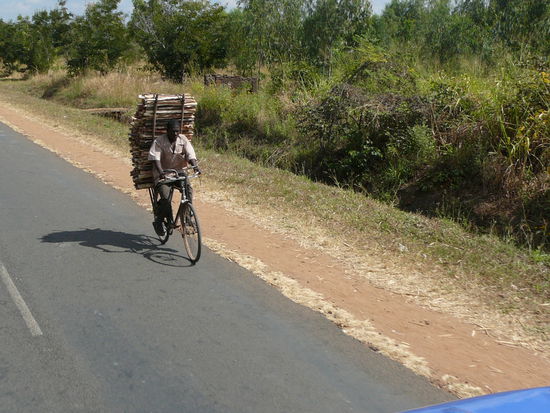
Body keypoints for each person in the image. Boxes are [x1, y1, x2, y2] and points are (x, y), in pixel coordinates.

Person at [148, 119, 201, 236]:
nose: (176, 134)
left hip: (178, 173)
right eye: (173, 131)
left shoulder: (183, 139)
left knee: (188, 190)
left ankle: (187, 217)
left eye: (177, 131)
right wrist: (161, 172)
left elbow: (190, 153)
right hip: (163, 174)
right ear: (167, 131)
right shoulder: (159, 141)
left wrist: (195, 166)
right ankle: (159, 221)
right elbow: (156, 159)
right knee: (166, 199)